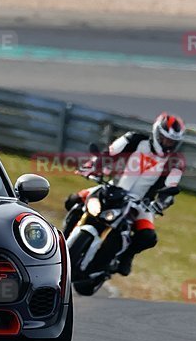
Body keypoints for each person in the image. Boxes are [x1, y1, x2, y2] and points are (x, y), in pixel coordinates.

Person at [64, 112, 186, 276]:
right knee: (73, 200)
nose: (167, 144)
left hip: (141, 203)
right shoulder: (133, 139)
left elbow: (171, 187)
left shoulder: (176, 161)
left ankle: (127, 257)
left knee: (147, 236)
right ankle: (61, 240)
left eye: (172, 141)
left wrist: (161, 202)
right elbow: (108, 154)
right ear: (157, 133)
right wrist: (92, 166)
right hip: (112, 189)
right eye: (165, 138)